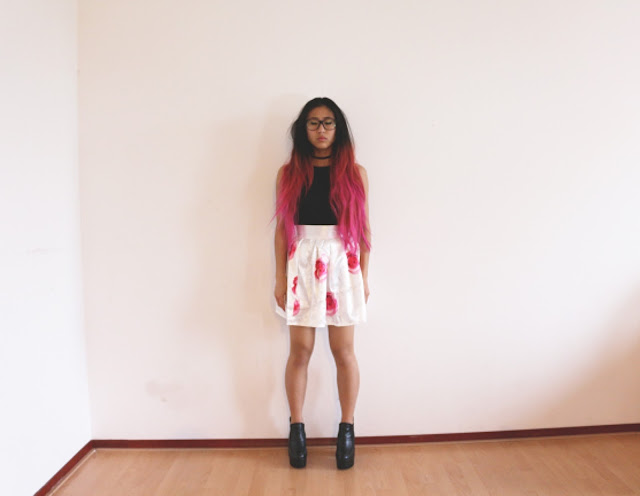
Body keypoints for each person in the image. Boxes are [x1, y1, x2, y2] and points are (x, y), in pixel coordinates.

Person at [274, 97, 370, 470]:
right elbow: (282, 232)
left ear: (338, 128)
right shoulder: (289, 173)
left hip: (343, 263)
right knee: (300, 351)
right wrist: (280, 277)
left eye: (328, 122)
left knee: (344, 351)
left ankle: (347, 428)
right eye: (313, 123)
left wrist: (364, 277)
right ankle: (296, 429)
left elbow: (363, 230)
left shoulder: (355, 173)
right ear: (304, 129)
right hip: (302, 261)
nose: (321, 130)